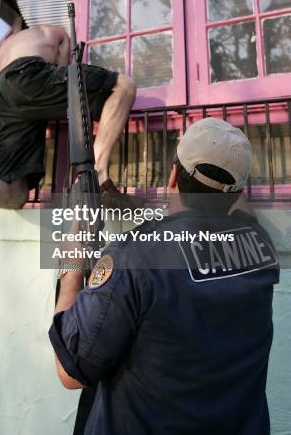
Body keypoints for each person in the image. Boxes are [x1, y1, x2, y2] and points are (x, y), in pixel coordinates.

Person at [49, 117, 279, 435]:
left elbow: (70, 372)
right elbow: (234, 204)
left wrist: (71, 269)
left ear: (173, 176)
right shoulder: (258, 247)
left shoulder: (133, 258)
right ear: (238, 191)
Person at [0, 14, 137, 260]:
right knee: (123, 86)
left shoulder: (4, 45)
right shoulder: (57, 33)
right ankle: (100, 171)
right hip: (27, 76)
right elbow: (66, 77)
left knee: (15, 193)